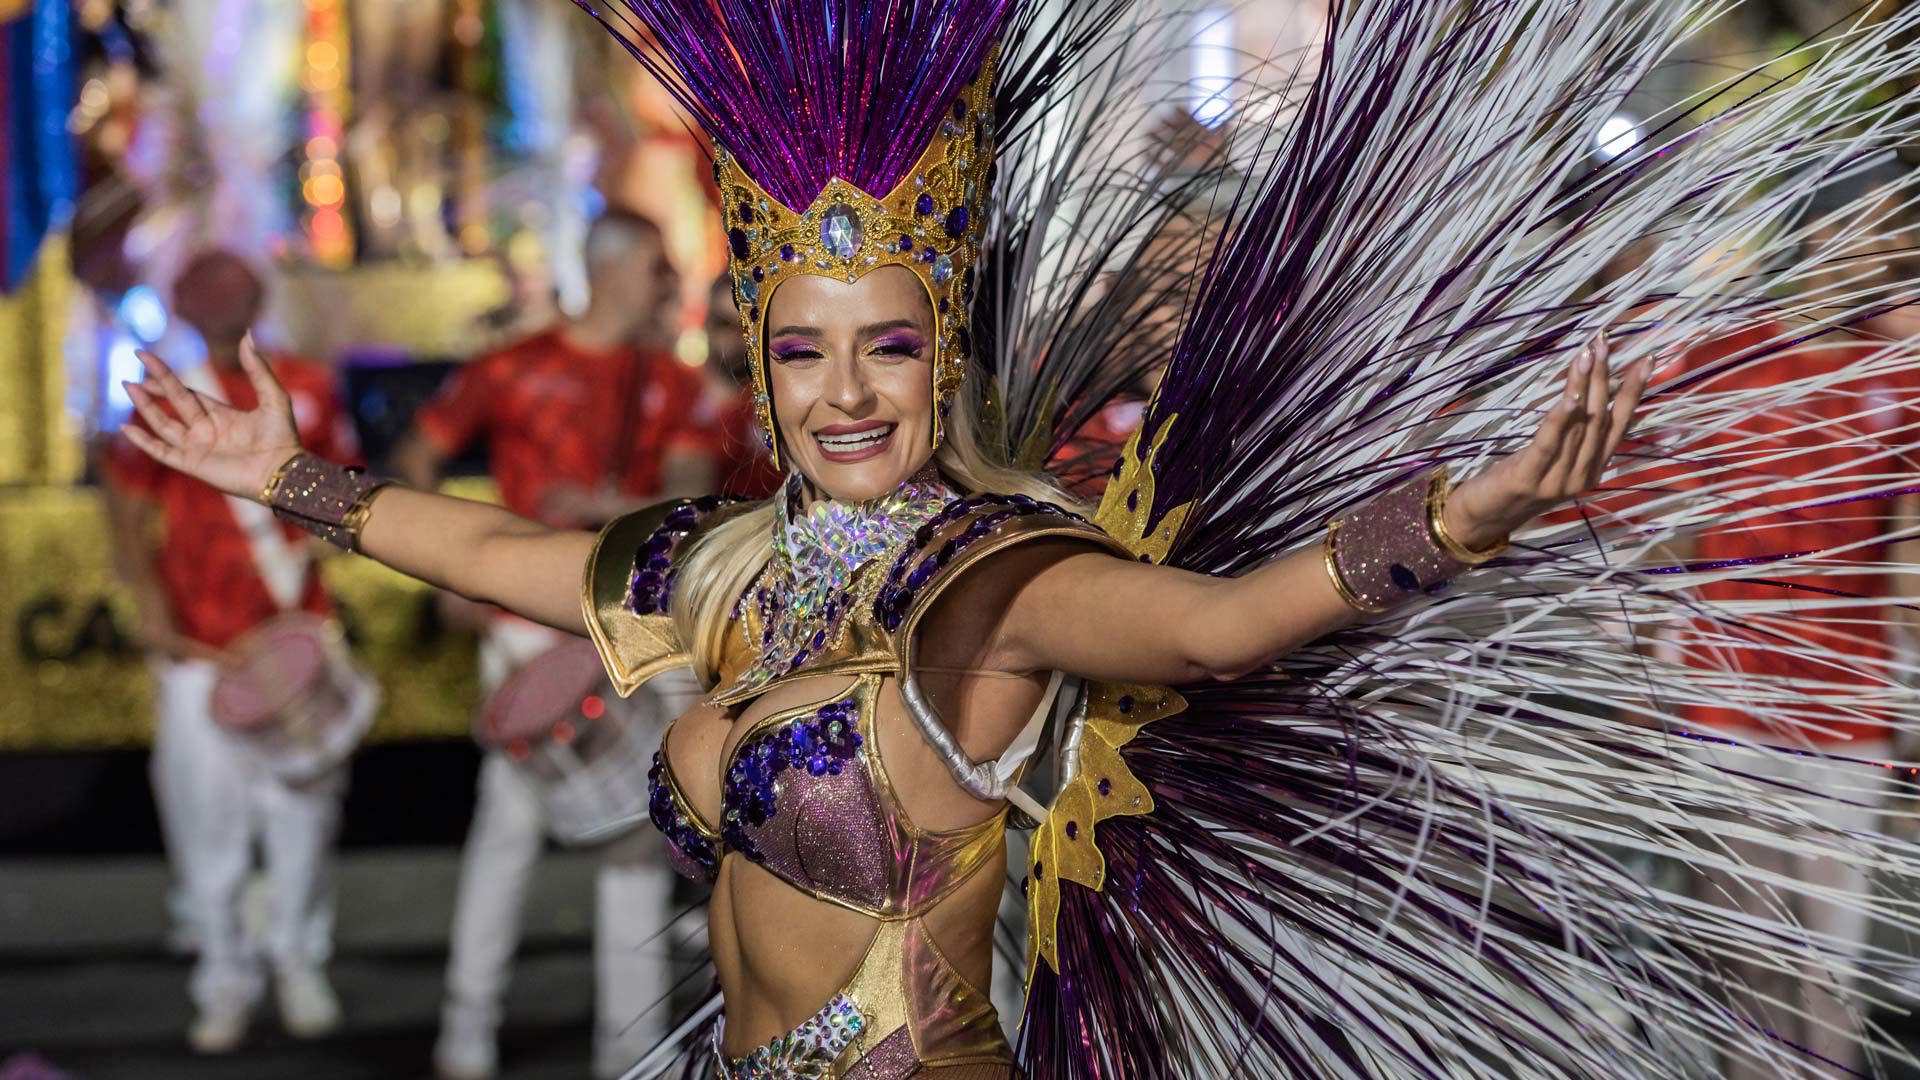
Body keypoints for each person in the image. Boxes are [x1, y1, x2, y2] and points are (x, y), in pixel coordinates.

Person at [113, 2, 1920, 1076]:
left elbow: (1217, 631)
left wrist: (1466, 511)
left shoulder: (989, 583)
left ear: (939, 357)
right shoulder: (735, 564)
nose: (843, 395)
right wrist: (295, 483)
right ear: (759, 353)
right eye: (804, 350)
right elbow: (505, 555)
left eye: (886, 347)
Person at [389, 209, 715, 1080]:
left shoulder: (673, 384)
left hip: (626, 635)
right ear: (612, 269)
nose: (668, 287)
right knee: (507, 836)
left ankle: (633, 1051)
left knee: (634, 845)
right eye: (657, 268)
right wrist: (452, 574)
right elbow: (414, 459)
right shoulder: (512, 366)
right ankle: (467, 1031)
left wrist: (607, 508)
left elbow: (686, 508)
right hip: (521, 636)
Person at [103, 250, 358, 1055]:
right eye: (204, 291)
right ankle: (223, 978)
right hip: (199, 653)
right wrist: (146, 599)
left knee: (303, 819)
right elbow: (124, 508)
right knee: (205, 827)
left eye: (235, 288)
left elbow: (345, 494)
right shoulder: (167, 402)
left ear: (258, 295)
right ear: (181, 305)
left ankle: (297, 961)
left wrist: (324, 548)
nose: (222, 301)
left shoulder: (308, 385)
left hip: (297, 636)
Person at [693, 273, 784, 499]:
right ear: (706, 324)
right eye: (724, 324)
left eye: (745, 324)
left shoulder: (777, 407)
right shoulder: (676, 394)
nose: (736, 337)